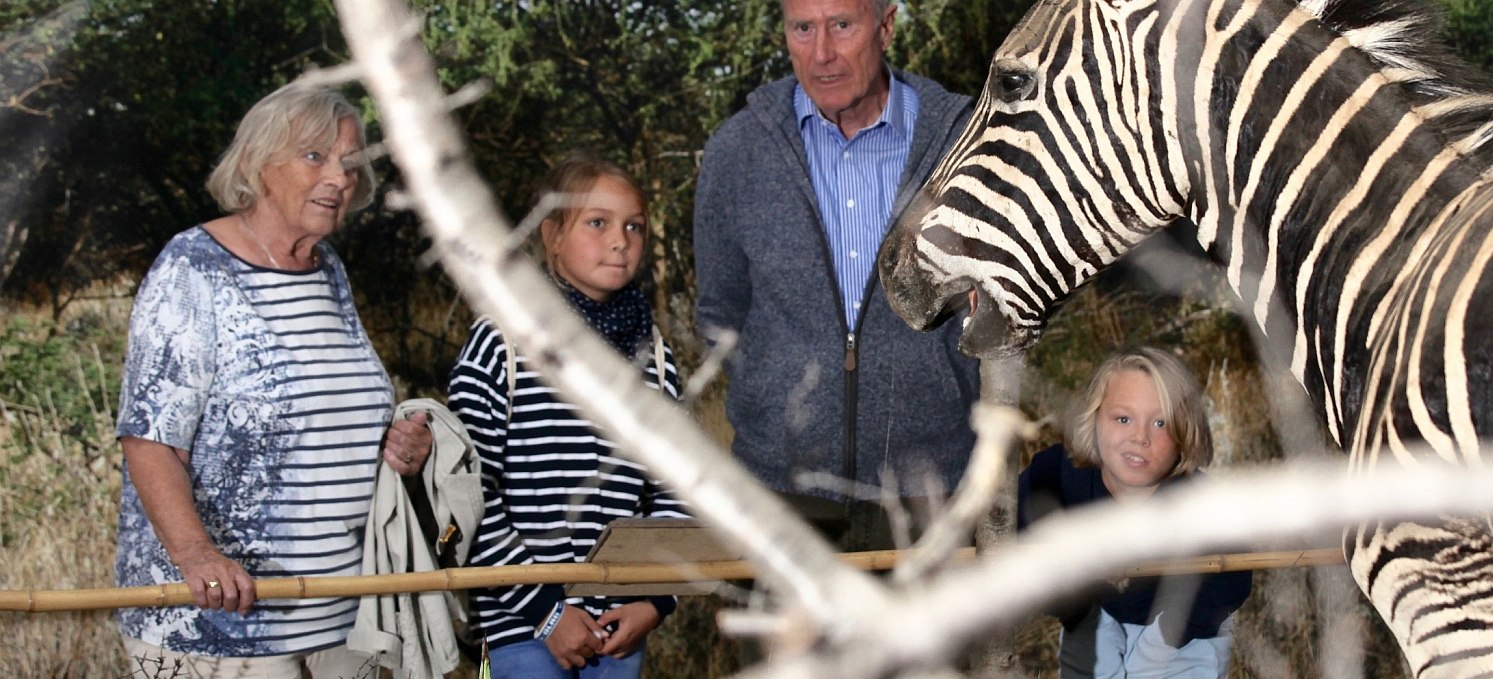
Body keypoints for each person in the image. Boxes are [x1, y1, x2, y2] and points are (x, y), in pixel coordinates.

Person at [114, 82, 433, 677]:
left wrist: (399, 444)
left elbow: (332, 412)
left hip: (344, 618)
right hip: (220, 623)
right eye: (315, 156)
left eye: (349, 163)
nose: (339, 177)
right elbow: (150, 439)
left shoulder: (325, 269)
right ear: (260, 163)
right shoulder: (193, 267)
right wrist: (194, 553)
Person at [693, 0, 979, 552]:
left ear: (887, 26)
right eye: (803, 28)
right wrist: (780, 406)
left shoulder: (962, 143)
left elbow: (1011, 297)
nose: (821, 53)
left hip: (931, 493)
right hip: (780, 499)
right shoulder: (738, 151)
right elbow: (720, 313)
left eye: (842, 25)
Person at [448, 155, 685, 678]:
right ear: (552, 235)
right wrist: (548, 613)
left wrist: (654, 600)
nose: (620, 240)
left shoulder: (657, 359)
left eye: (634, 227)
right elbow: (466, 498)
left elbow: (675, 493)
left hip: (619, 631)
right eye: (597, 223)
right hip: (520, 629)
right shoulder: (502, 343)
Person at [1018, 347, 1252, 679]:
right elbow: (1014, 539)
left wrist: (1160, 644)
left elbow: (1231, 583)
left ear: (1185, 434)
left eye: (1161, 423)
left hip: (1184, 625)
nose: (1140, 437)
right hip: (1096, 609)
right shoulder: (1057, 474)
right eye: (1123, 419)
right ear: (1095, 418)